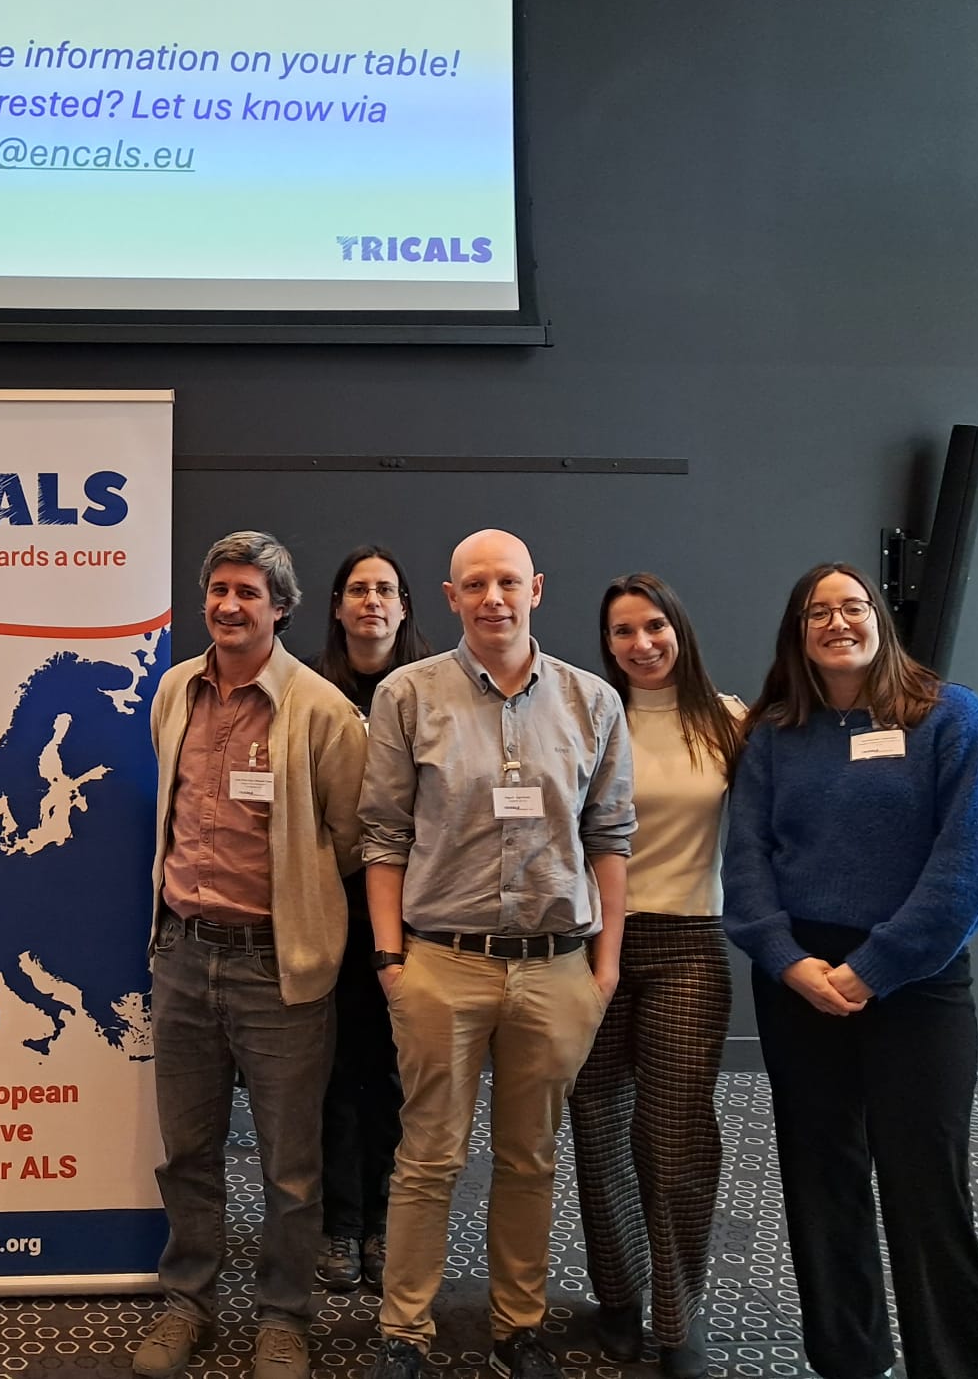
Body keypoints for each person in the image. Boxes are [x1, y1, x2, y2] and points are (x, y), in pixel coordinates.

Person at [723, 562, 978, 1379]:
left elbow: (972, 864)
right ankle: (848, 1357)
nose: (837, 622)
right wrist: (787, 961)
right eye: (818, 612)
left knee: (926, 1181)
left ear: (880, 619)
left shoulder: (950, 717)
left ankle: (953, 1364)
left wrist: (877, 967)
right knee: (822, 1176)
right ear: (798, 634)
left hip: (917, 980)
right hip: (799, 979)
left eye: (853, 606)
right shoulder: (774, 733)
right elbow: (745, 862)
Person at [361, 529, 634, 1379]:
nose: (493, 598)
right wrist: (391, 962)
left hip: (557, 967)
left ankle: (519, 1326)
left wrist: (605, 968)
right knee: (427, 1157)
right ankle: (404, 1329)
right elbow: (382, 836)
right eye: (474, 584)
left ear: (536, 589)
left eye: (508, 582)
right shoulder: (408, 694)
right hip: (441, 963)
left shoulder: (593, 702)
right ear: (450, 597)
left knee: (530, 1158)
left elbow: (611, 837)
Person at [130, 532, 367, 1379]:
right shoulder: (173, 692)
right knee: (186, 1151)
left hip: (278, 966)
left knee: (290, 1165)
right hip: (182, 955)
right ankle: (187, 1301)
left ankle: (283, 1316)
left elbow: (351, 837)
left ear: (282, 608)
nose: (229, 606)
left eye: (249, 593)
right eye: (219, 589)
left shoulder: (322, 710)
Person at [567, 574, 744, 1379]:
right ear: (607, 644)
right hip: (592, 944)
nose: (641, 644)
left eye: (654, 627)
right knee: (598, 1129)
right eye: (623, 632)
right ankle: (618, 1301)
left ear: (679, 629)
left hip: (689, 947)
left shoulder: (731, 722)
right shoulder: (590, 718)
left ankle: (678, 1321)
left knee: (675, 1142)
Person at [311, 545, 431, 1291]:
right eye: (357, 589)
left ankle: (385, 1219)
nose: (372, 602)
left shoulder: (435, 688)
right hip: (326, 905)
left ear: (404, 605)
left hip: (414, 908)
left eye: (385, 589)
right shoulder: (306, 688)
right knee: (332, 1071)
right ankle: (340, 1222)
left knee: (393, 1073)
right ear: (337, 606)